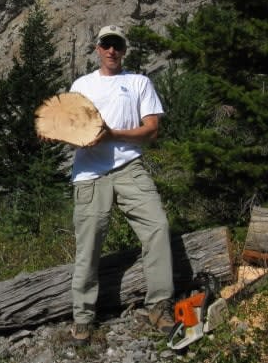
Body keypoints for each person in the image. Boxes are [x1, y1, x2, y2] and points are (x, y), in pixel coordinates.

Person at [68, 25, 175, 345]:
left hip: (130, 168)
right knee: (88, 247)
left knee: (157, 227)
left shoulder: (139, 82)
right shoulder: (81, 84)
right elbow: (71, 126)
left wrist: (112, 134)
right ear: (97, 49)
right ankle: (83, 318)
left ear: (124, 50)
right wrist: (55, 132)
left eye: (117, 45)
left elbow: (151, 129)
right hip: (88, 174)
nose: (112, 50)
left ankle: (159, 306)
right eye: (106, 44)